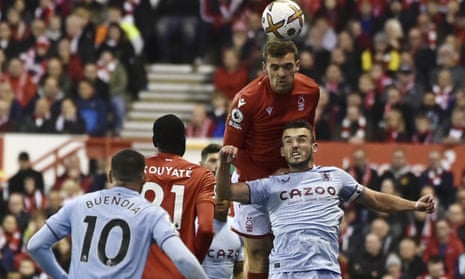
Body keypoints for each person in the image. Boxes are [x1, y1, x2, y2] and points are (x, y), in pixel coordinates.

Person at [216, 120, 436, 278]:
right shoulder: (269, 184)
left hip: (326, 270)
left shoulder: (335, 176)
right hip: (285, 271)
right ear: (282, 151)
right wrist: (224, 165)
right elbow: (225, 193)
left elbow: (376, 200)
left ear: (314, 147)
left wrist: (414, 205)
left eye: (302, 140)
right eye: (289, 142)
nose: (295, 145)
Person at [26, 149, 208, 279]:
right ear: (143, 178)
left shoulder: (78, 204)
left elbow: (35, 245)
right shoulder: (152, 214)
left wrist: (62, 276)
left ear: (110, 175)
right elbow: (183, 258)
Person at [223, 38, 320, 278]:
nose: (281, 73)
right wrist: (266, 181)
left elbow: (307, 132)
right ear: (264, 67)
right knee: (257, 252)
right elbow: (230, 152)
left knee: (294, 248)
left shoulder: (311, 91)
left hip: (291, 182)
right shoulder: (245, 100)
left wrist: (305, 171)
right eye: (274, 67)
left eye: (287, 66)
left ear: (297, 65)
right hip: (253, 181)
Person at [141, 114, 215, 279]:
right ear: (184, 141)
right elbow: (206, 228)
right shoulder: (202, 175)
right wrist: (193, 262)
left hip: (140, 269)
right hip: (179, 270)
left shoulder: (137, 170)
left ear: (154, 141)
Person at [199, 143, 244, 279]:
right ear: (201, 165)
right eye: (212, 161)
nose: (217, 166)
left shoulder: (237, 197)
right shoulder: (191, 199)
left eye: (220, 161)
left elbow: (239, 268)